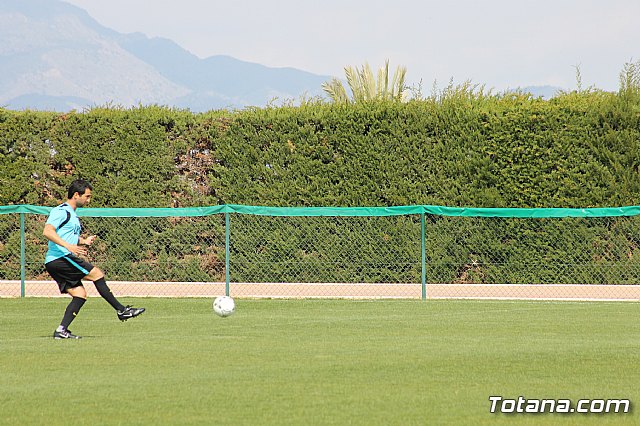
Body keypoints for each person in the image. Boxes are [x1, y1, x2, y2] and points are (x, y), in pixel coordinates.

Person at [43, 179, 145, 339]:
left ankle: (61, 330)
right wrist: (68, 247)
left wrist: (83, 241)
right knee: (97, 273)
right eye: (87, 196)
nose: (88, 200)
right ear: (76, 195)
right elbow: (48, 231)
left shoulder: (72, 214)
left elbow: (66, 236)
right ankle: (121, 310)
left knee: (80, 295)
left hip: (58, 259)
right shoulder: (62, 211)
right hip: (60, 257)